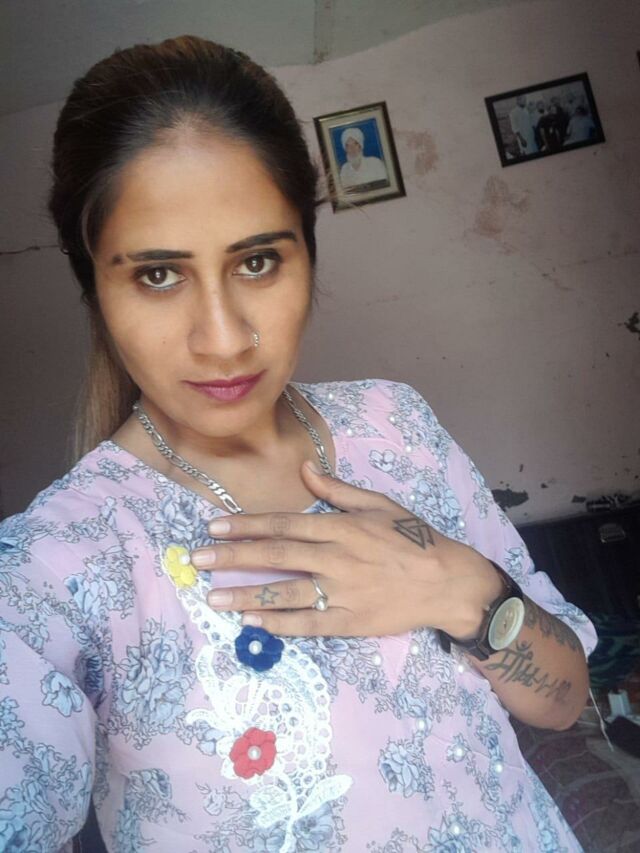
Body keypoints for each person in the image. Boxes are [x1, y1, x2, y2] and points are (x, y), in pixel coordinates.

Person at [0, 35, 596, 852]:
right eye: (158, 275)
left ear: (308, 254)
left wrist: (463, 591)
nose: (223, 338)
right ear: (93, 286)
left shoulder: (398, 424)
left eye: (256, 261)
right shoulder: (60, 563)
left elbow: (564, 700)